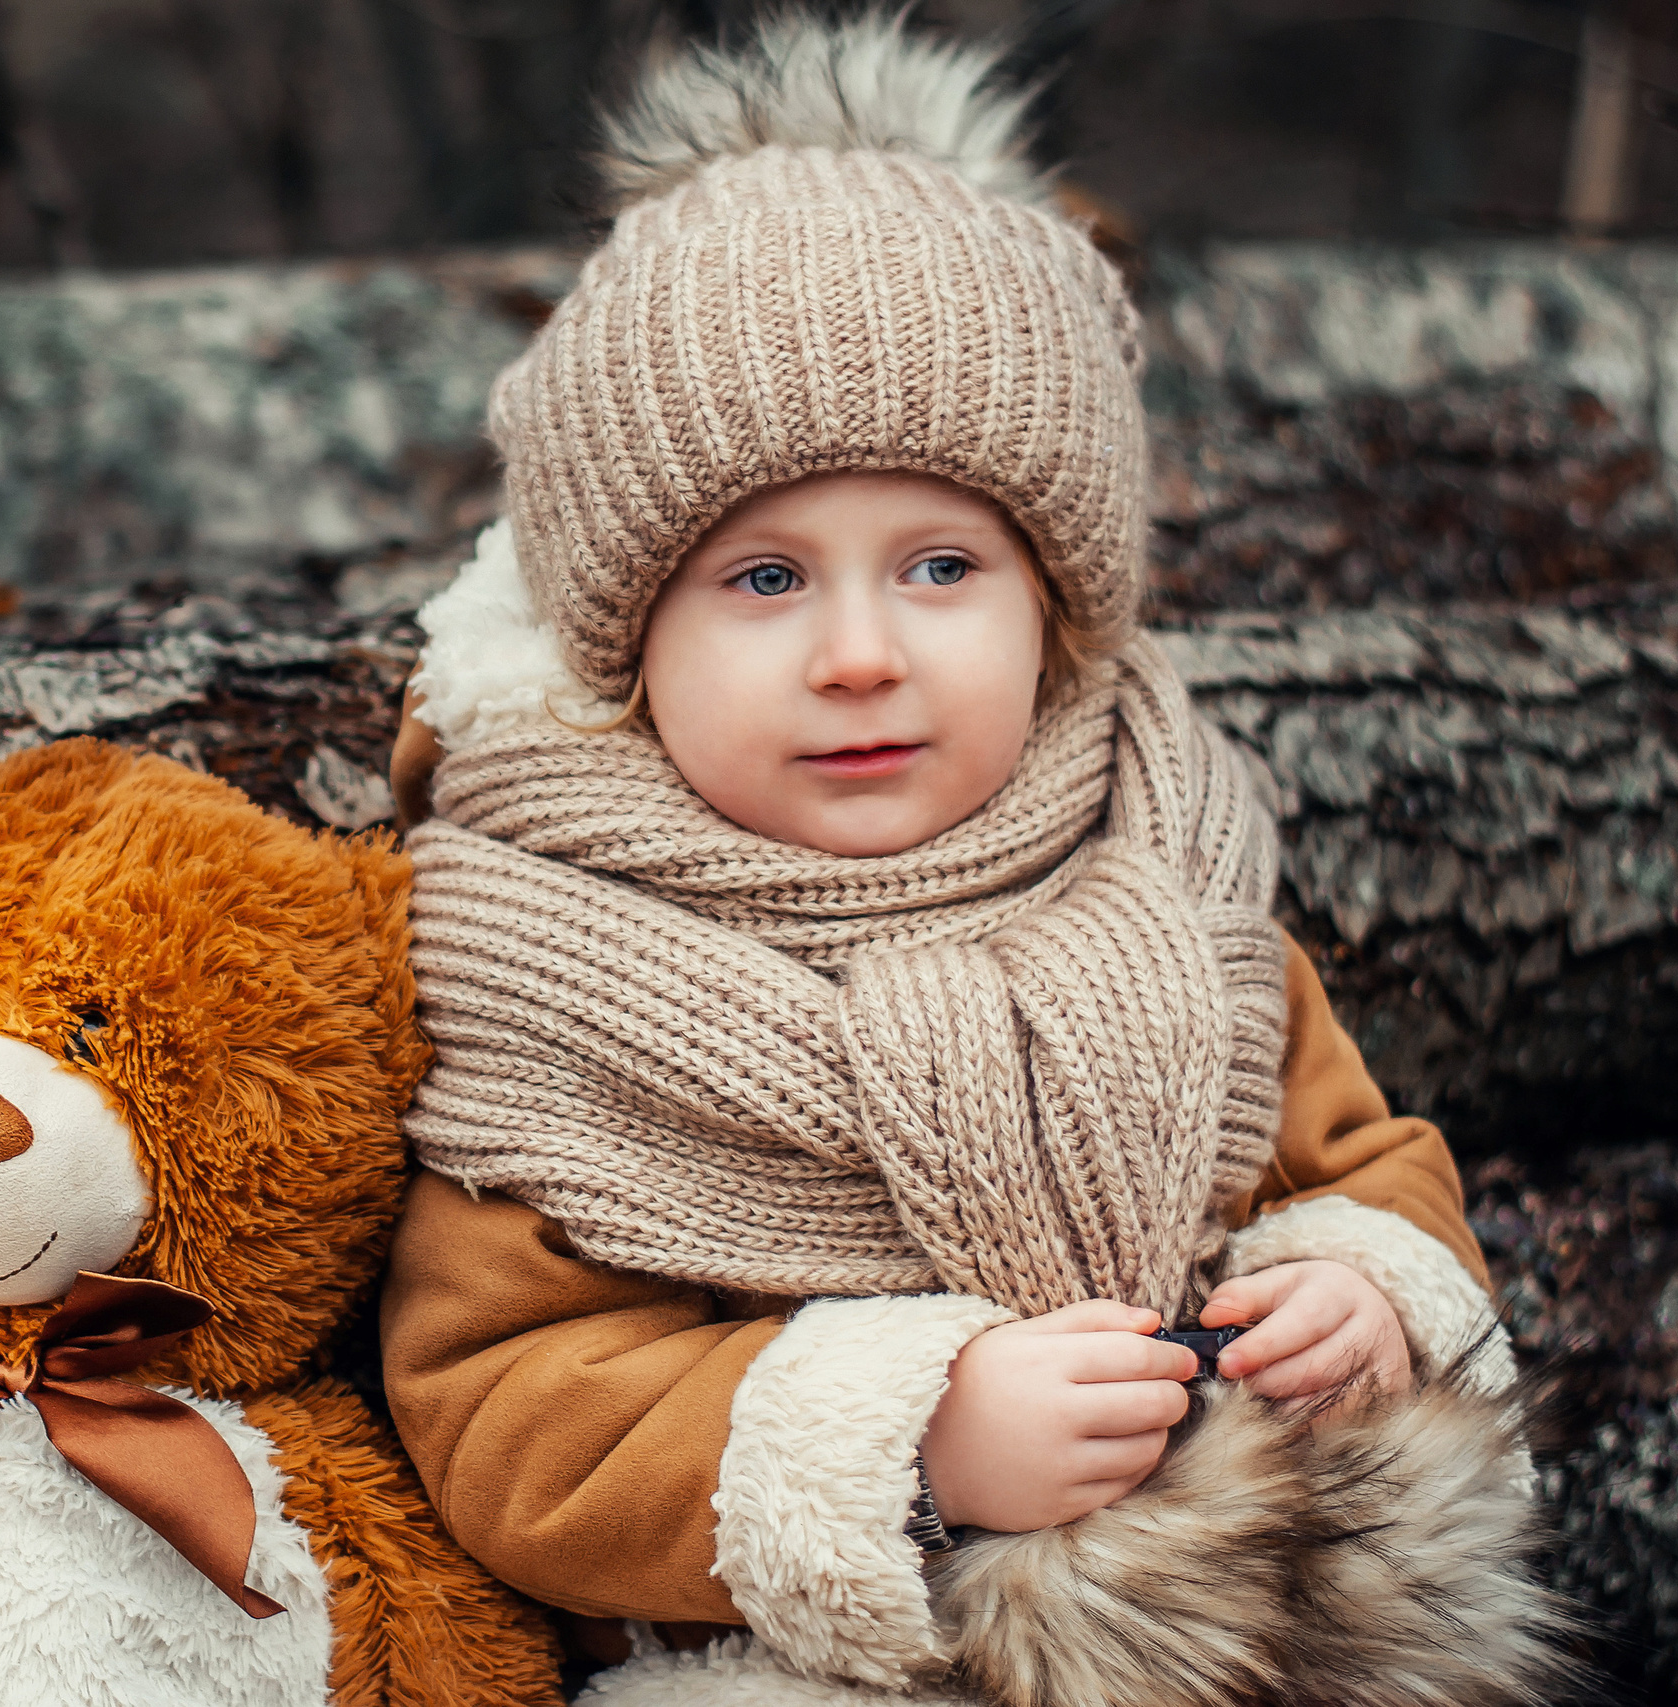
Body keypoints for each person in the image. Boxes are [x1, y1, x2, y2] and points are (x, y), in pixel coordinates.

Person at [377, 13, 1572, 1706]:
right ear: (626, 640)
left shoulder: (1168, 885)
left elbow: (1361, 1162)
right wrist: (913, 1435)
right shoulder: (547, 972)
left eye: (941, 565)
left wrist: (1362, 1291)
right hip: (790, 1658)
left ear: (1055, 608)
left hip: (1243, 1614)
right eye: (765, 580)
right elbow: (502, 1407)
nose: (861, 653)